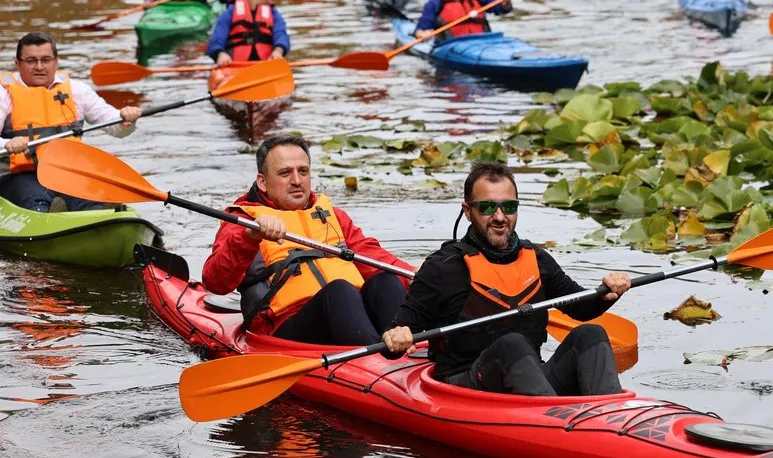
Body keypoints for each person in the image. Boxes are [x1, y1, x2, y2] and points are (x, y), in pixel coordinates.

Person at [382, 162, 630, 397]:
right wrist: (397, 337)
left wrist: (608, 292)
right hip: (465, 387)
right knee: (511, 344)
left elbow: (582, 308)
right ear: (468, 211)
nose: (500, 217)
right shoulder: (443, 267)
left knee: (591, 334)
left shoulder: (537, 260)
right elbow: (400, 329)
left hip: (529, 378)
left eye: (509, 207)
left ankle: (609, 416)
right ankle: (552, 426)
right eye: (488, 207)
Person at [201, 135, 414, 345]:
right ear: (262, 182)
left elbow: (371, 256)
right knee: (339, 291)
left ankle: (404, 347)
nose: (296, 181)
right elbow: (216, 282)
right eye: (285, 173)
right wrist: (250, 237)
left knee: (386, 280)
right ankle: (378, 359)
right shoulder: (244, 222)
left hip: (347, 314)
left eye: (303, 171)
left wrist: (414, 276)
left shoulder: (332, 214)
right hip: (283, 326)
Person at [0, 32, 141, 212]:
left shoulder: (77, 90)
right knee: (37, 201)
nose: (39, 66)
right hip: (19, 175)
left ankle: (91, 219)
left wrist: (126, 119)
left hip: (67, 172)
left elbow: (115, 127)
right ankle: (47, 218)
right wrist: (7, 143)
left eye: (46, 59)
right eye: (31, 61)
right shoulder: (3, 94)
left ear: (56, 62)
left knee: (93, 203)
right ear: (18, 63)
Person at [207, 0, 290, 66]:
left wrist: (278, 50)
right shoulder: (229, 13)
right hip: (235, 67)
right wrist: (220, 54)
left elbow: (281, 34)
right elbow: (217, 38)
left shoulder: (273, 13)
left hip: (265, 66)